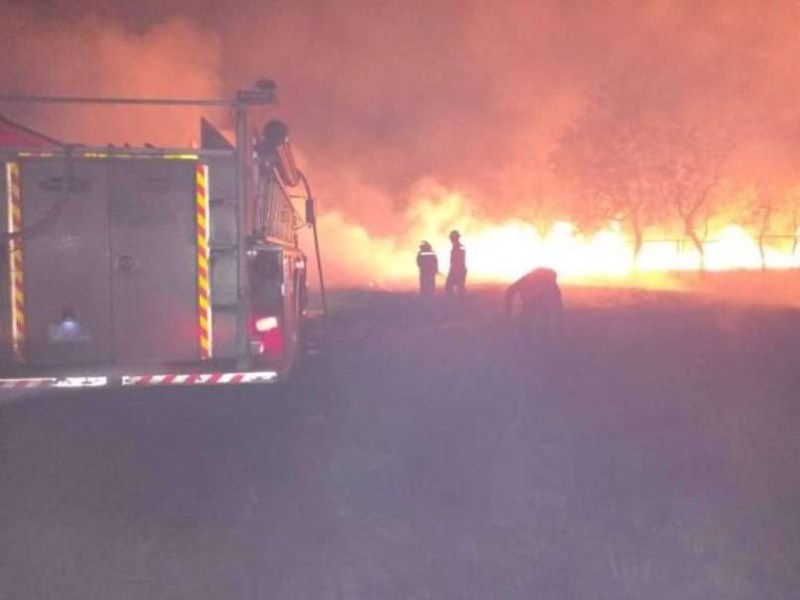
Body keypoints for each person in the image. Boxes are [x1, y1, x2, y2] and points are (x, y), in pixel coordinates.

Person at [505, 267, 563, 342]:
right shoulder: (544, 281)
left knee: (533, 320)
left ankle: (530, 337)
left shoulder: (534, 280)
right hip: (533, 301)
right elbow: (557, 299)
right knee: (533, 320)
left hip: (534, 301)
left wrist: (508, 312)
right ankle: (532, 338)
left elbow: (510, 292)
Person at [445, 230, 467, 297]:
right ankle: (461, 302)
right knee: (459, 287)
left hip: (457, 270)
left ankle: (456, 303)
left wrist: (453, 270)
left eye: (451, 238)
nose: (450, 240)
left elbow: (457, 260)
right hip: (459, 269)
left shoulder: (457, 247)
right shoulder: (458, 246)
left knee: (450, 287)